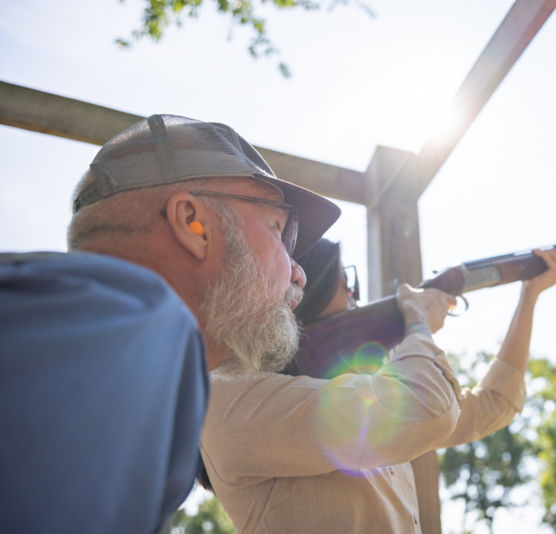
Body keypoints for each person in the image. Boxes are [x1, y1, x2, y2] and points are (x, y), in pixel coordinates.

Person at [0, 114, 341, 533]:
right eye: (278, 231)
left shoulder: (78, 319)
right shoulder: (136, 322)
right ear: (193, 224)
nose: (298, 273)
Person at [201, 236, 556, 532]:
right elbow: (430, 408)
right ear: (300, 296)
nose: (356, 298)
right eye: (346, 284)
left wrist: (530, 296)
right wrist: (417, 323)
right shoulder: (230, 398)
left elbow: (491, 405)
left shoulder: (363, 390)